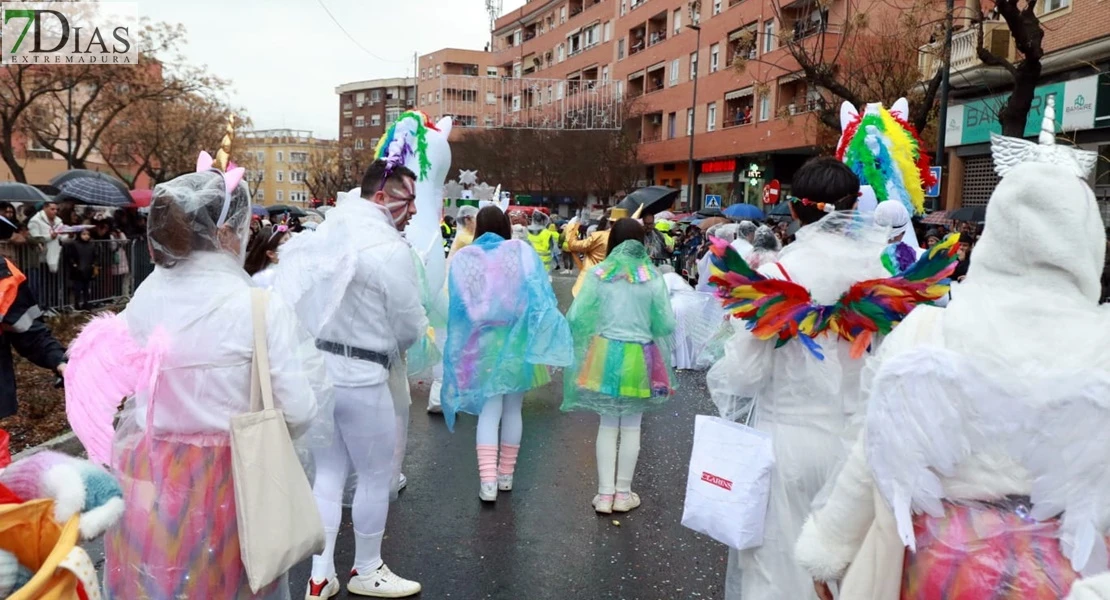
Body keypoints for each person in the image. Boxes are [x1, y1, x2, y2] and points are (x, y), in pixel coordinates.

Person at [795, 98, 1110, 600]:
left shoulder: (927, 333)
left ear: (997, 234)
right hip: (1071, 573)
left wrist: (829, 547)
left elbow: (870, 455)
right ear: (1089, 240)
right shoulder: (1104, 344)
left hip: (934, 567)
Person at [65, 156, 331, 599]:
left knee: (160, 584)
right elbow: (299, 409)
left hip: (149, 476)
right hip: (234, 480)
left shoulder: (146, 298)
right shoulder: (258, 308)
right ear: (226, 232)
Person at [706, 157, 892, 600]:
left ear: (793, 209)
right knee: (837, 575)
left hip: (783, 441)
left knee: (772, 568)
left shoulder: (775, 277)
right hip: (853, 448)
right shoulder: (879, 279)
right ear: (852, 208)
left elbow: (745, 373)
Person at [274, 160, 426, 599]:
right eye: (407, 198)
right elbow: (409, 324)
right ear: (382, 196)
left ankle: (319, 575)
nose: (413, 209)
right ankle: (366, 567)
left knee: (329, 474)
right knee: (376, 475)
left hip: (321, 373)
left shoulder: (325, 234)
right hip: (364, 377)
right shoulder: (389, 249)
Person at [442, 206, 572, 501]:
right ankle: (506, 476)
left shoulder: (465, 258)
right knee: (513, 409)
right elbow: (538, 295)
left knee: (489, 412)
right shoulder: (520, 252)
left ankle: (487, 483)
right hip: (517, 340)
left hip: (482, 342)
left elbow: (458, 305)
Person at [562, 218, 677, 514]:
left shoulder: (600, 273)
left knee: (607, 422)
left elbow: (576, 316)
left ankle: (604, 495)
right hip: (641, 356)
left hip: (604, 354)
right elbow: (665, 324)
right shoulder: (651, 276)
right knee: (632, 426)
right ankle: (623, 494)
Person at [565, 209, 618, 296]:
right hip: (614, 283)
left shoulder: (599, 236)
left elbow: (573, 245)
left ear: (610, 222)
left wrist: (572, 228)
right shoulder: (628, 239)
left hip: (593, 282)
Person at [244, 224, 290, 289]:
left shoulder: (288, 266)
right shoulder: (265, 279)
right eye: (286, 241)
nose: (292, 243)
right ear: (271, 254)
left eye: (291, 238)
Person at [64, 229, 99, 310]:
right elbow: (70, 256)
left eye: (88, 234)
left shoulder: (91, 245)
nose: (86, 236)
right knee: (78, 288)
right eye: (84, 234)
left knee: (86, 288)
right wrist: (74, 265)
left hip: (88, 269)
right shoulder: (74, 244)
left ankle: (86, 303)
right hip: (78, 270)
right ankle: (77, 304)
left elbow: (95, 255)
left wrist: (95, 265)